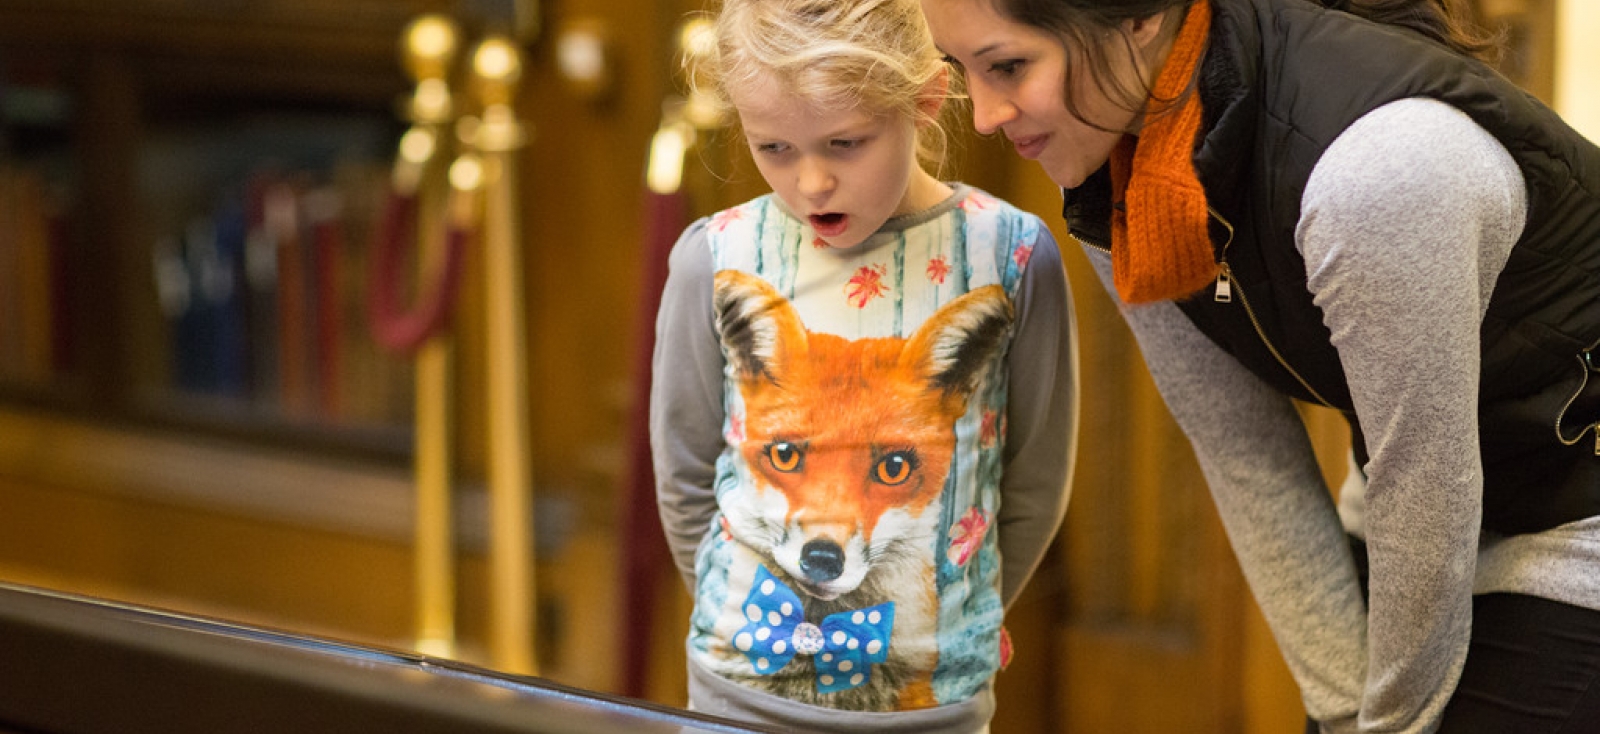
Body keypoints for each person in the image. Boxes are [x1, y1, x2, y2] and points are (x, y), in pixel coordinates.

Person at [922, 0, 1600, 731]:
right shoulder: (1110, 166)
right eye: (961, 70)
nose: (986, 114)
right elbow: (1242, 447)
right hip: (1417, 504)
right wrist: (1342, 713)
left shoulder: (1377, 173)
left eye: (1011, 66)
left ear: (1138, 19)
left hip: (1573, 510)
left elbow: (1425, 483)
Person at [648, 0, 1080, 731]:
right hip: (738, 694)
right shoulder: (715, 257)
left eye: (845, 143)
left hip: (932, 705)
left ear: (925, 101)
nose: (811, 182)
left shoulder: (1009, 255)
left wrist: (951, 611)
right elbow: (684, 475)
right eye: (773, 148)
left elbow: (1035, 481)